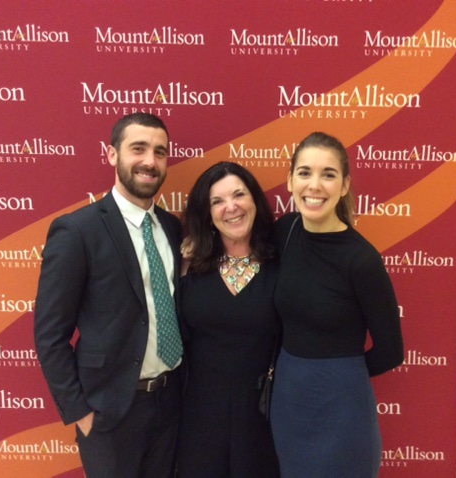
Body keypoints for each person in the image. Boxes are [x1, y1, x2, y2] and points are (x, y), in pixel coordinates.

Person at [34, 113, 184, 478]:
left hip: (172, 402)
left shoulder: (172, 227)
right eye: (138, 149)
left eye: (160, 152)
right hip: (111, 413)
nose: (150, 160)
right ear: (111, 154)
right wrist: (81, 414)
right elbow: (50, 334)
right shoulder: (77, 231)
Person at [270, 132, 404, 478]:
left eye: (328, 174)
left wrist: (342, 374)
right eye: (304, 172)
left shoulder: (361, 260)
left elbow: (391, 351)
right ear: (289, 180)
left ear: (344, 186)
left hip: (342, 407)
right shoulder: (284, 231)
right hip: (288, 399)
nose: (314, 185)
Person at [176, 162, 281, 478]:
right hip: (199, 419)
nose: (230, 207)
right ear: (206, 214)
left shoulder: (282, 261)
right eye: (217, 201)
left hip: (264, 417)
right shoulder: (187, 265)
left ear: (254, 201)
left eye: (239, 195)